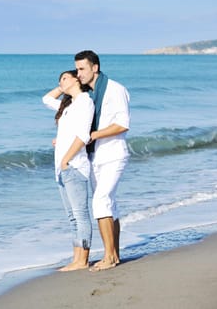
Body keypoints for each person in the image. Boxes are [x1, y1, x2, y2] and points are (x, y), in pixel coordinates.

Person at [74, 50, 130, 271]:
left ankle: (108, 257)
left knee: (101, 201)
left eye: (82, 69)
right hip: (95, 157)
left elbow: (123, 124)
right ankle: (114, 255)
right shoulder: (87, 94)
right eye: (77, 69)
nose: (78, 74)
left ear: (94, 68)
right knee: (110, 205)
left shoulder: (115, 89)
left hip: (113, 154)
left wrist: (94, 135)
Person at [42, 70, 95, 271]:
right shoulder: (68, 106)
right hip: (62, 168)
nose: (60, 82)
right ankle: (76, 259)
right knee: (72, 217)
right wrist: (62, 87)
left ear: (77, 79)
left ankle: (83, 261)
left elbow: (83, 135)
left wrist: (66, 159)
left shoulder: (85, 102)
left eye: (64, 78)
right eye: (59, 80)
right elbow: (46, 99)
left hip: (73, 166)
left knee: (80, 215)